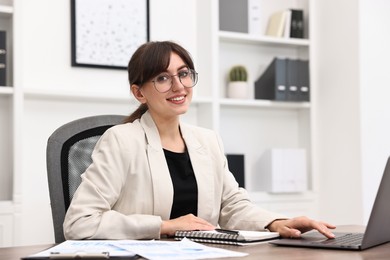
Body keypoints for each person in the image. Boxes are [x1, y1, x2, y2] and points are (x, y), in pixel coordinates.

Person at [63, 41, 335, 240]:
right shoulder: (121, 140)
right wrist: (164, 225)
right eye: (162, 78)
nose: (179, 86)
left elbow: (232, 206)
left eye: (183, 73)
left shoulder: (208, 140)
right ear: (139, 93)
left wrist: (277, 222)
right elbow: (80, 222)